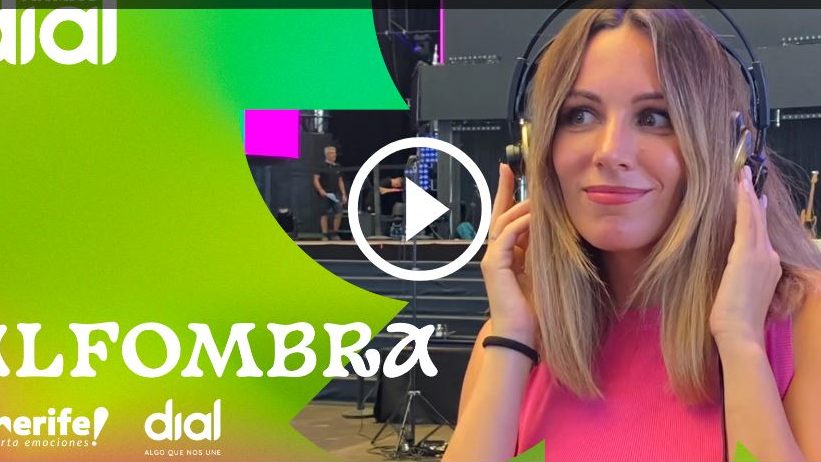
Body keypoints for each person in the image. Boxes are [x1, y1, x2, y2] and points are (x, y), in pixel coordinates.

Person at [444, 6, 821, 462]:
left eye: (654, 117)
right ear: (532, 150)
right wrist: (512, 339)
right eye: (580, 115)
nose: (610, 152)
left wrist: (740, 340)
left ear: (733, 152)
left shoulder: (801, 322)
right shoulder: (513, 334)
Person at [313, 146, 347, 240]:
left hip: (336, 193)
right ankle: (324, 234)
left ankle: (335, 233)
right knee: (324, 214)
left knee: (339, 212)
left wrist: (344, 193)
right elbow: (315, 179)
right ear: (327, 154)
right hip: (325, 193)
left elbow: (340, 181)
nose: (334, 155)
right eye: (332, 153)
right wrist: (320, 190)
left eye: (335, 153)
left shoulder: (337, 167)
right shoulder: (321, 166)